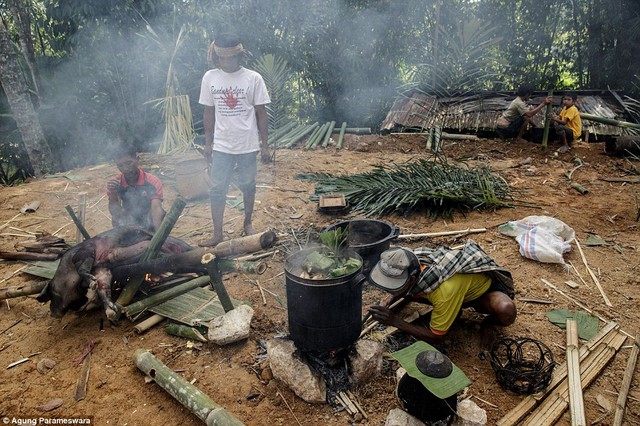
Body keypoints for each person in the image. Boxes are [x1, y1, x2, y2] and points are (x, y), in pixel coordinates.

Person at [367, 240, 517, 348]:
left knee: (506, 310)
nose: (388, 289)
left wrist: (394, 321)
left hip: (480, 293)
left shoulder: (443, 292)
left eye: (393, 286)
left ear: (412, 279)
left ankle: (488, 323)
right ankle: (452, 312)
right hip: (452, 289)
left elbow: (437, 336)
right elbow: (403, 286)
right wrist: (389, 299)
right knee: (408, 292)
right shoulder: (410, 258)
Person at [198, 33, 271, 247]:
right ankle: (217, 233)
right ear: (217, 57)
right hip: (222, 145)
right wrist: (208, 143)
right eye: (223, 58)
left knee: (248, 185)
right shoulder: (209, 78)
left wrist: (264, 145)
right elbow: (208, 113)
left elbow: (261, 113)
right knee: (217, 189)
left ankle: (247, 223)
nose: (227, 62)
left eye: (231, 58)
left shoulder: (253, 78)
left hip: (247, 144)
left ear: (239, 56)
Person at [106, 146, 166, 232]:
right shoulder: (116, 183)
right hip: (129, 220)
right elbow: (115, 212)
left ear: (137, 159)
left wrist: (158, 236)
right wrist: (113, 193)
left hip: (148, 218)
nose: (125, 169)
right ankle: (123, 237)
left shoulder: (152, 181)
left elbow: (156, 209)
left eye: (128, 163)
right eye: (120, 165)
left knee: (157, 214)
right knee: (117, 218)